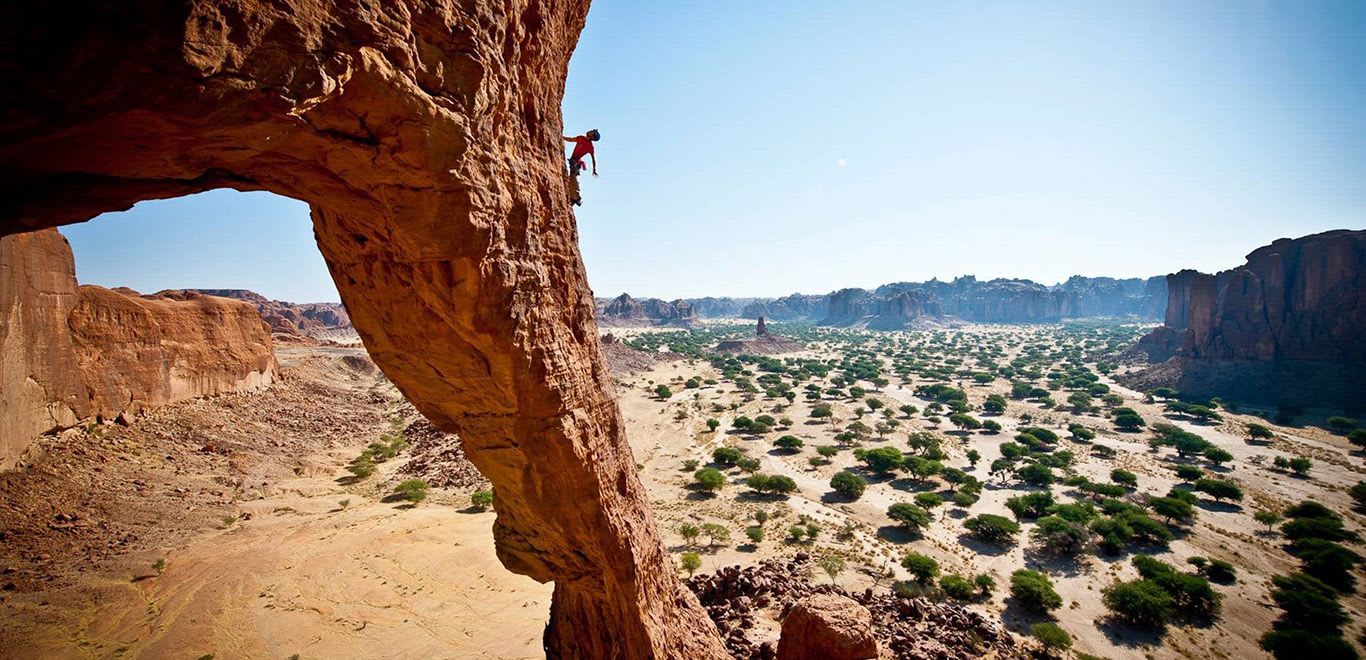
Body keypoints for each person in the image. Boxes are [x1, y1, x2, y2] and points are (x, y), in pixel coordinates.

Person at [563, 129, 599, 206]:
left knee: (573, 177)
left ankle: (577, 197)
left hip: (576, 162)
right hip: (573, 161)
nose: (590, 130)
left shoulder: (590, 146)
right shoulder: (581, 138)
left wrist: (594, 169)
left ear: (592, 136)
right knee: (571, 178)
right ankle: (573, 197)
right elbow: (571, 139)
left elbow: (593, 159)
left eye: (592, 131)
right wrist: (561, 137)